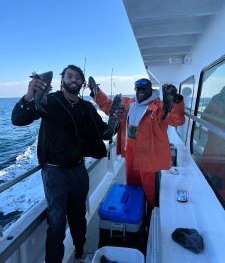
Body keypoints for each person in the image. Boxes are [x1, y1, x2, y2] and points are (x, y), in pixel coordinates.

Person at [11, 65, 120, 263]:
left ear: (82, 83)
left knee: (79, 217)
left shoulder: (87, 108)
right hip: (54, 174)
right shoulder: (48, 100)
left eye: (78, 77)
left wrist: (116, 119)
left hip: (79, 170)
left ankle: (79, 253)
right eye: (69, 76)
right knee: (57, 223)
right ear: (62, 80)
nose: (73, 80)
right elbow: (18, 120)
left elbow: (106, 132)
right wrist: (29, 95)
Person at [88, 77, 185, 209]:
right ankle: (135, 214)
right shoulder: (128, 103)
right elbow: (109, 106)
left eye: (144, 88)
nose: (140, 91)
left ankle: (150, 216)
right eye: (138, 88)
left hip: (149, 155)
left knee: (150, 191)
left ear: (150, 89)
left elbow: (177, 120)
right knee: (133, 187)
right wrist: (96, 92)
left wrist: (176, 100)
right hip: (131, 152)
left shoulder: (160, 106)